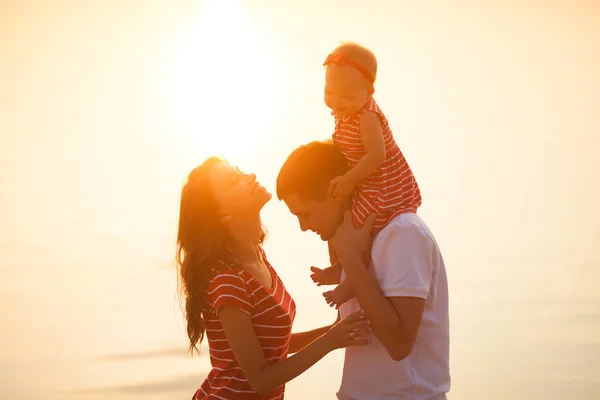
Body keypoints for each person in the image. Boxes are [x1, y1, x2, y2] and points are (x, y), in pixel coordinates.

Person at [176, 156, 372, 400]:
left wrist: (331, 330)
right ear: (221, 212)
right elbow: (260, 379)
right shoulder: (228, 280)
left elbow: (272, 345)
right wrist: (330, 341)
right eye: (234, 181)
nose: (250, 177)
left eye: (240, 171)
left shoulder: (256, 257)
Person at [276, 140, 450, 400]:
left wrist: (352, 260)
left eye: (306, 213)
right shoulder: (357, 241)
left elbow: (399, 343)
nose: (303, 227)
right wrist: (274, 347)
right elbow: (346, 328)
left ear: (335, 191)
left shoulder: (403, 234)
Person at [318, 42, 423, 308]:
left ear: (368, 92)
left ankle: (352, 284)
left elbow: (377, 156)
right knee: (340, 218)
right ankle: (342, 267)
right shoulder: (347, 109)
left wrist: (350, 179)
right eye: (330, 92)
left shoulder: (367, 117)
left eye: (346, 96)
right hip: (365, 180)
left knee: (362, 227)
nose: (337, 102)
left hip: (384, 186)